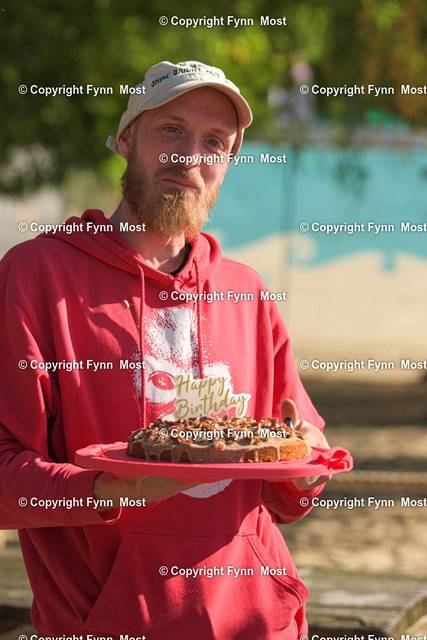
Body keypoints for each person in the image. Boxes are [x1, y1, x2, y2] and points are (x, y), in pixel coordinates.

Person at [0, 60, 329, 639]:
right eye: (171, 129)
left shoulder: (247, 290)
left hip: (262, 625)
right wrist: (106, 492)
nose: (190, 157)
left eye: (214, 142)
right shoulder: (35, 276)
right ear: (127, 139)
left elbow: (287, 484)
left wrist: (309, 470)